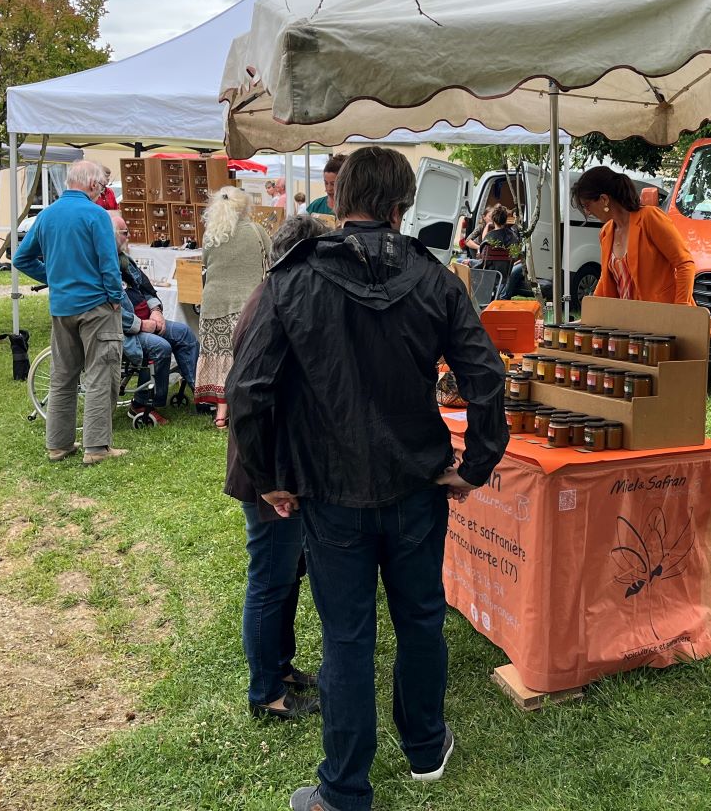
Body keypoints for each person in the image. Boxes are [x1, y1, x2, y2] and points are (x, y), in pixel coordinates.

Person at [227, 146, 508, 811]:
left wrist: (267, 476)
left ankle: (350, 785)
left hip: (338, 491)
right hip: (407, 484)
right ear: (399, 206)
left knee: (349, 635)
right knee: (419, 618)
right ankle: (421, 747)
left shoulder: (294, 277)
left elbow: (247, 389)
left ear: (343, 197)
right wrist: (475, 465)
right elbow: (487, 376)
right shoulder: (434, 278)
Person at [225, 215, 331, 723]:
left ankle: (280, 670)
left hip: (276, 468)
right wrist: (270, 482)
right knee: (270, 577)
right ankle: (266, 693)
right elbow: (246, 396)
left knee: (285, 574)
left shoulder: (277, 293)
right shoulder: (277, 298)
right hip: (268, 473)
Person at [13, 160, 128, 466]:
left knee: (62, 377)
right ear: (92, 184)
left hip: (62, 307)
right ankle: (97, 447)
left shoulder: (47, 214)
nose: (102, 193)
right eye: (102, 187)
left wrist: (53, 276)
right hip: (96, 306)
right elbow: (108, 262)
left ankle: (58, 445)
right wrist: (115, 297)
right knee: (101, 374)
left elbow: (21, 258)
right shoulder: (96, 215)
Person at [110, 212, 200, 424]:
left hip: (148, 320)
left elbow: (147, 289)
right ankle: (143, 404)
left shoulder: (125, 261)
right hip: (126, 331)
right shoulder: (103, 267)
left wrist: (156, 310)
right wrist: (143, 325)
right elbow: (110, 312)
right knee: (160, 347)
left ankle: (201, 392)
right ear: (111, 236)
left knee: (184, 333)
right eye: (125, 233)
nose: (129, 236)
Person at [196, 186, 271, 426]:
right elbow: (271, 260)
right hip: (247, 304)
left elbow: (206, 265)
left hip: (214, 305)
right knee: (244, 357)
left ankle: (220, 414)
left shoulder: (212, 235)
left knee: (222, 359)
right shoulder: (257, 231)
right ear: (245, 207)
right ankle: (244, 408)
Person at [572, 165, 696, 305]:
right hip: (629, 320)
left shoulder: (649, 218)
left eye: (587, 205)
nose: (587, 212)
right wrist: (592, 310)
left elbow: (685, 264)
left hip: (665, 318)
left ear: (604, 199)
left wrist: (681, 308)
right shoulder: (606, 232)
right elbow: (606, 279)